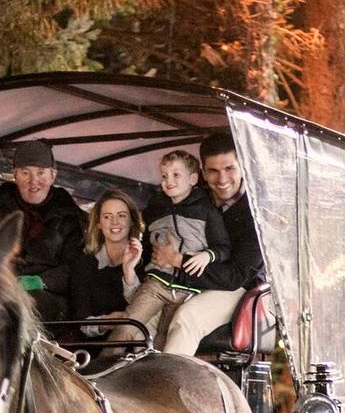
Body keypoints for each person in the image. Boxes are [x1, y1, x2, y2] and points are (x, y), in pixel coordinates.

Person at [106, 149, 233, 353]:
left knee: (164, 339)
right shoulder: (155, 209)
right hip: (157, 282)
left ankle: (154, 380)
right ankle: (100, 373)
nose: (168, 181)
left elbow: (223, 247)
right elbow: (147, 248)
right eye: (164, 176)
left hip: (188, 288)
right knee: (128, 325)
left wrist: (207, 255)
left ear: (193, 179)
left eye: (176, 175)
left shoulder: (206, 210)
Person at [159, 131, 268, 355]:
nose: (222, 179)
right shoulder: (193, 200)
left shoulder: (258, 213)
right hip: (187, 279)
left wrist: (180, 262)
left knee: (187, 318)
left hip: (238, 288)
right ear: (203, 174)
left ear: (243, 168)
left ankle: (166, 387)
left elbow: (235, 276)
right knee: (142, 322)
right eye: (213, 171)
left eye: (229, 169)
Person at [0, 139, 87, 323]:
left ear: (53, 175)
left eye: (41, 173)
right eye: (26, 173)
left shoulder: (72, 218)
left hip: (51, 299)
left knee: (26, 302)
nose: (34, 181)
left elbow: (76, 268)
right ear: (15, 174)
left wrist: (41, 280)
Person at [70, 189, 144, 324]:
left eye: (121, 215)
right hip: (92, 343)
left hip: (135, 340)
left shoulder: (146, 262)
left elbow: (143, 312)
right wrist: (106, 322)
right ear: (98, 223)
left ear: (132, 220)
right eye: (107, 216)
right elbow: (80, 320)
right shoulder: (84, 264)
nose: (114, 222)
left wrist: (129, 272)